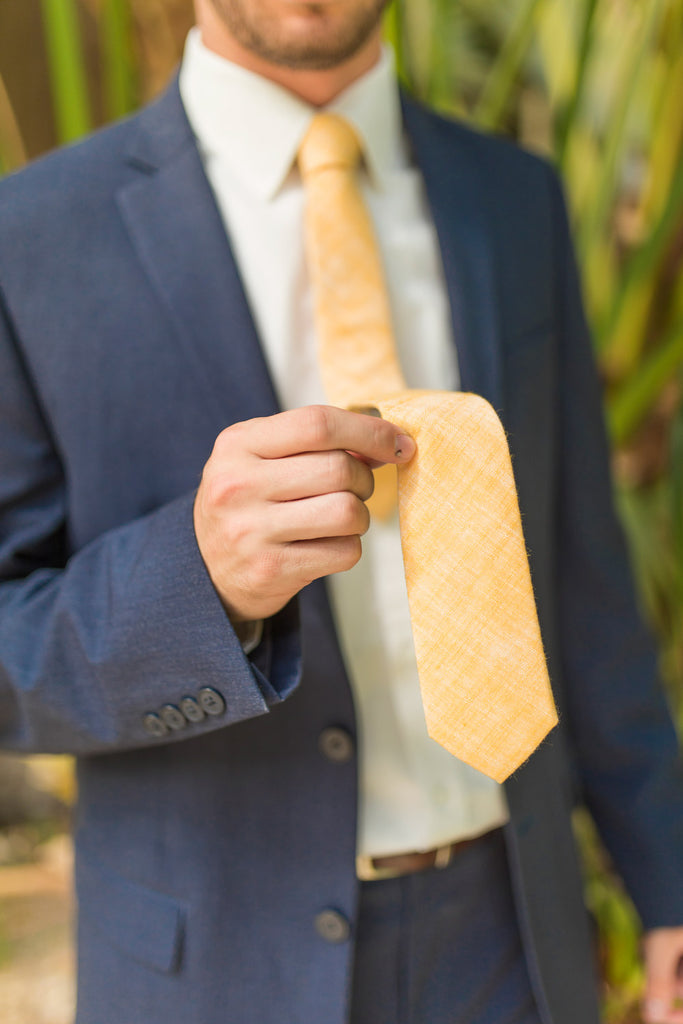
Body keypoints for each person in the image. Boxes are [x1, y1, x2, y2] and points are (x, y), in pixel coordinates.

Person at [1, 1, 682, 1021]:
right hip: (214, 966)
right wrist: (195, 582)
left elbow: (584, 589)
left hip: (512, 941)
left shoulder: (512, 200)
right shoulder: (29, 238)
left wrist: (667, 881)